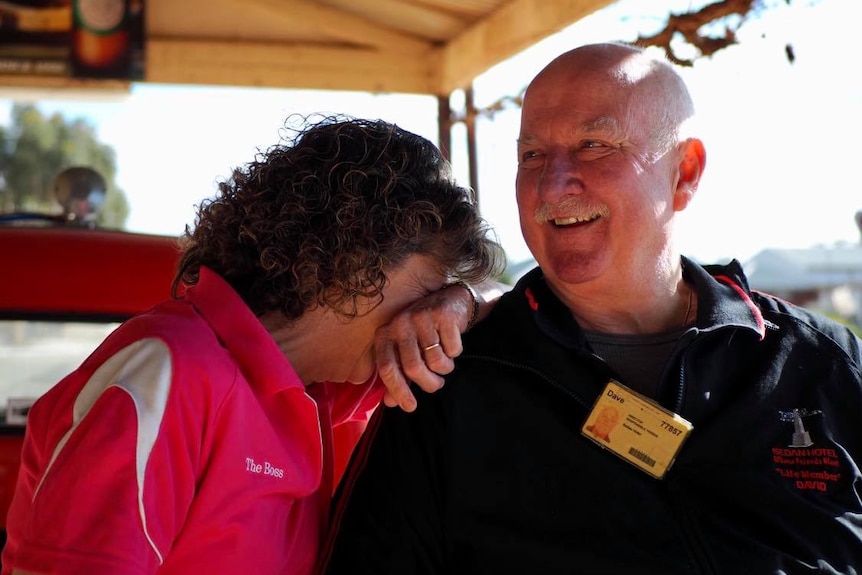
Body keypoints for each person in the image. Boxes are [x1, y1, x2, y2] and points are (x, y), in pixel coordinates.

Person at [318, 43, 862, 574]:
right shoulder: (447, 383)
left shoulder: (821, 361)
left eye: (593, 145)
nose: (552, 185)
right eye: (531, 155)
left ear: (685, 172)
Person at [1, 115, 504, 575]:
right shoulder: (170, 374)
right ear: (354, 260)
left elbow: (513, 308)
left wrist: (462, 300)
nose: (429, 313)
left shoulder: (317, 387)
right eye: (428, 288)